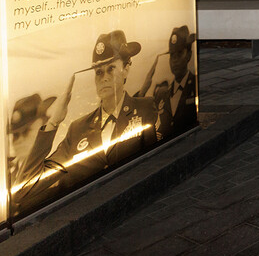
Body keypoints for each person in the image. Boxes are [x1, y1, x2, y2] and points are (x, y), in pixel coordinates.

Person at [17, 31, 159, 206]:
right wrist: (53, 123)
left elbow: (155, 164)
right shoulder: (78, 129)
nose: (104, 77)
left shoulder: (144, 108)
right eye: (98, 72)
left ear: (126, 70)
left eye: (111, 69)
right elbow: (25, 189)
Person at [138, 25, 197, 141]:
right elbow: (142, 115)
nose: (174, 60)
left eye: (179, 54)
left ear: (189, 55)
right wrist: (144, 89)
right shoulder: (162, 94)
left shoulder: (195, 84)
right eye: (172, 55)